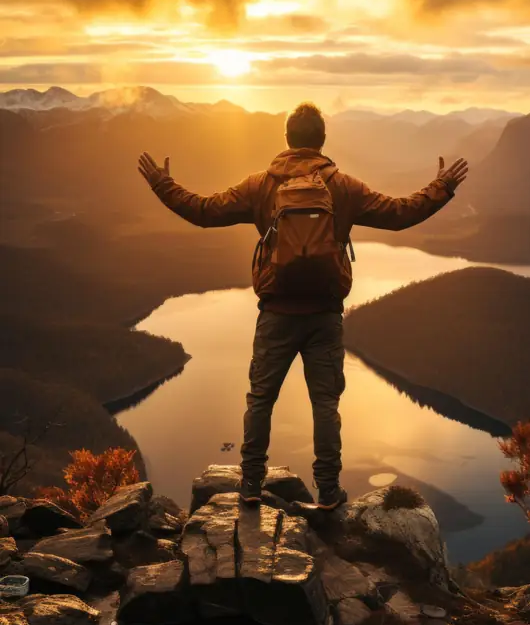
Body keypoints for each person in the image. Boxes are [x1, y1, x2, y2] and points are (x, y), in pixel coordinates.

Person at [138, 102, 468, 510]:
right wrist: (442, 186)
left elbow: (204, 211)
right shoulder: (343, 186)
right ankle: (329, 492)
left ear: (288, 139)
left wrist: (162, 184)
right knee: (325, 404)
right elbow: (400, 213)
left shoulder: (261, 185)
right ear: (322, 140)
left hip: (277, 311)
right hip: (324, 314)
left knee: (261, 400)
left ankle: (251, 485)